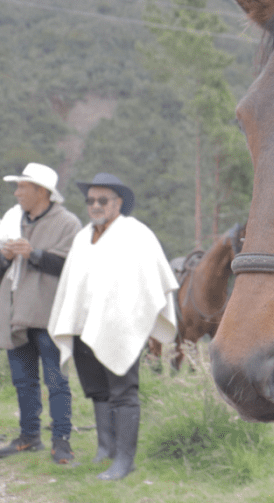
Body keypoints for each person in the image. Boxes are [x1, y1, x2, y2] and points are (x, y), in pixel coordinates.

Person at [46, 173, 178, 480]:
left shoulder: (136, 234)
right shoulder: (83, 237)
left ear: (118, 203)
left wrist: (131, 317)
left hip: (121, 328)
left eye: (102, 200)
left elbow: (150, 281)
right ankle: (105, 450)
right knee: (98, 392)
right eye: (90, 200)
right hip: (83, 328)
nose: (95, 205)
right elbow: (72, 286)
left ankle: (125, 460)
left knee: (123, 393)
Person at [0, 163, 82, 464]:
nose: (17, 193)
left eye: (22, 187)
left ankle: (62, 441)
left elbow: (73, 267)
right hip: (16, 315)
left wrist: (34, 254)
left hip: (49, 315)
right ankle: (29, 436)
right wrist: (4, 257)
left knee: (57, 381)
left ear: (41, 192)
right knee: (23, 381)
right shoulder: (11, 221)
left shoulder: (68, 223)